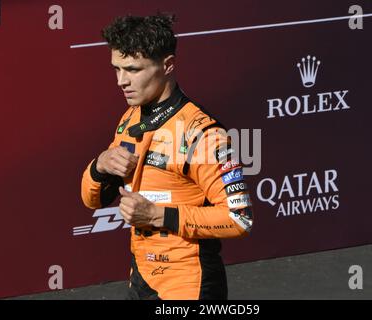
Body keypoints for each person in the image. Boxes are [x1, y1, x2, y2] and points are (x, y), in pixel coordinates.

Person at [81, 14, 254, 300]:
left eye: (133, 70)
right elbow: (93, 200)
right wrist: (99, 167)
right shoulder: (130, 118)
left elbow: (239, 219)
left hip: (189, 284)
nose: (121, 81)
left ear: (168, 65)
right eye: (117, 69)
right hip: (142, 278)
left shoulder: (202, 133)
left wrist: (156, 214)